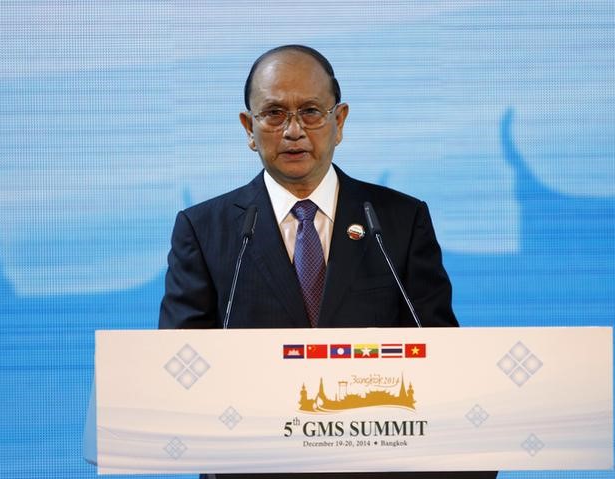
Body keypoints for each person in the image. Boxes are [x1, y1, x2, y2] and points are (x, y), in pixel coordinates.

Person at [159, 45, 497, 479]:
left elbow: (438, 351)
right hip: (252, 466)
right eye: (275, 114)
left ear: (339, 122)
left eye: (312, 112)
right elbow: (178, 362)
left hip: (380, 466)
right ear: (248, 127)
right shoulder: (205, 230)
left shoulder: (397, 220)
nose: (294, 131)